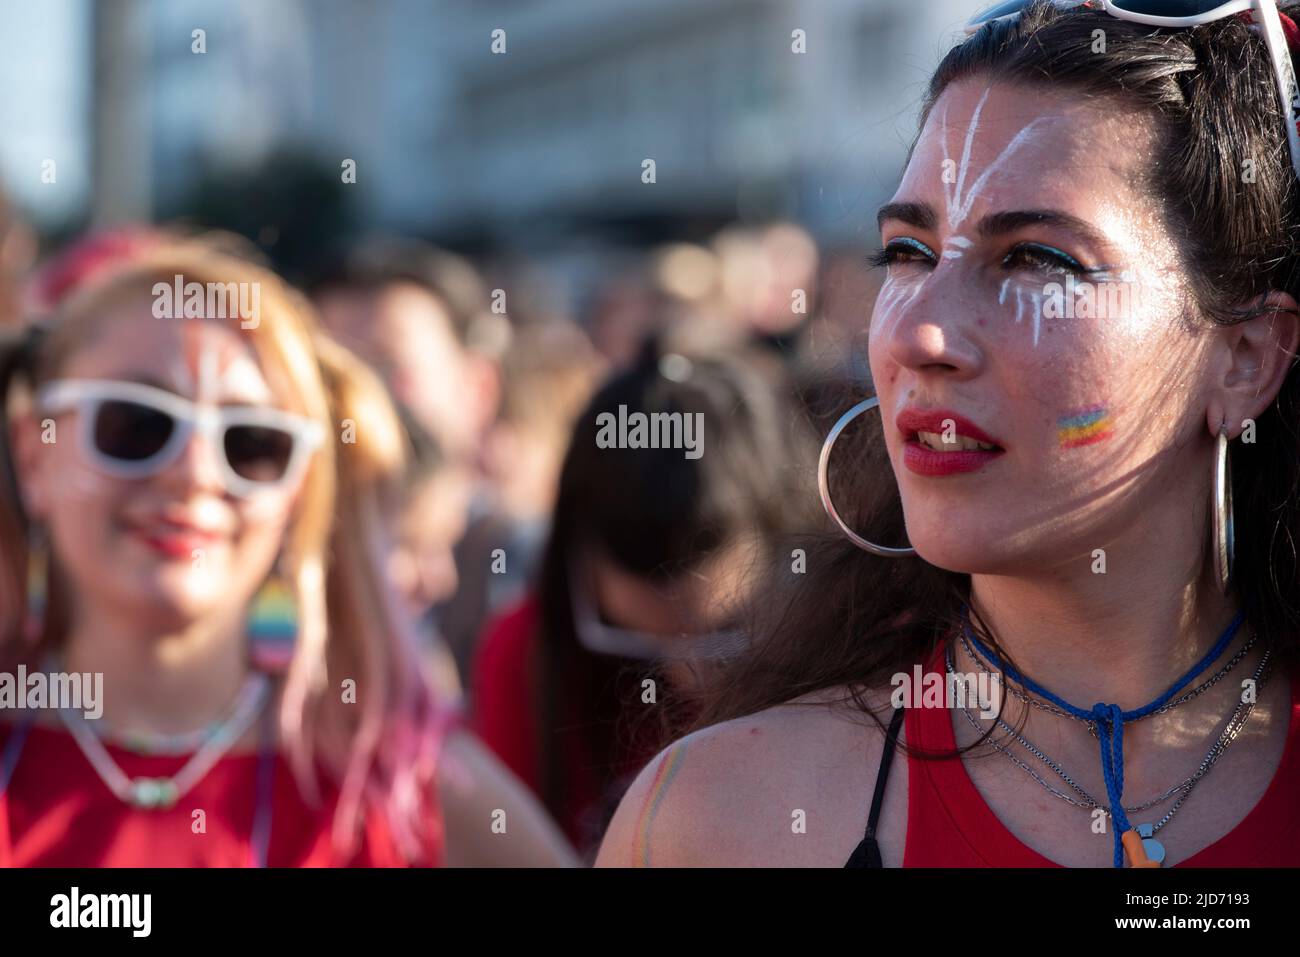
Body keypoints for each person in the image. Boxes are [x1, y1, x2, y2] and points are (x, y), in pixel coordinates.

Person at [599, 0, 1300, 868]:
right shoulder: (716, 822)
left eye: (1037, 259)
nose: (918, 336)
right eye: (907, 252)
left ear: (1244, 360)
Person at [0, 243, 575, 866]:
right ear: (34, 454)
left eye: (251, 443)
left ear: (300, 488)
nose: (192, 475)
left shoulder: (407, 791)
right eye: (137, 423)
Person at [472, 336, 815, 860]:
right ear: (577, 560)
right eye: (636, 646)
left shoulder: (850, 667)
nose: (684, 676)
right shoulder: (523, 653)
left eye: (720, 639)